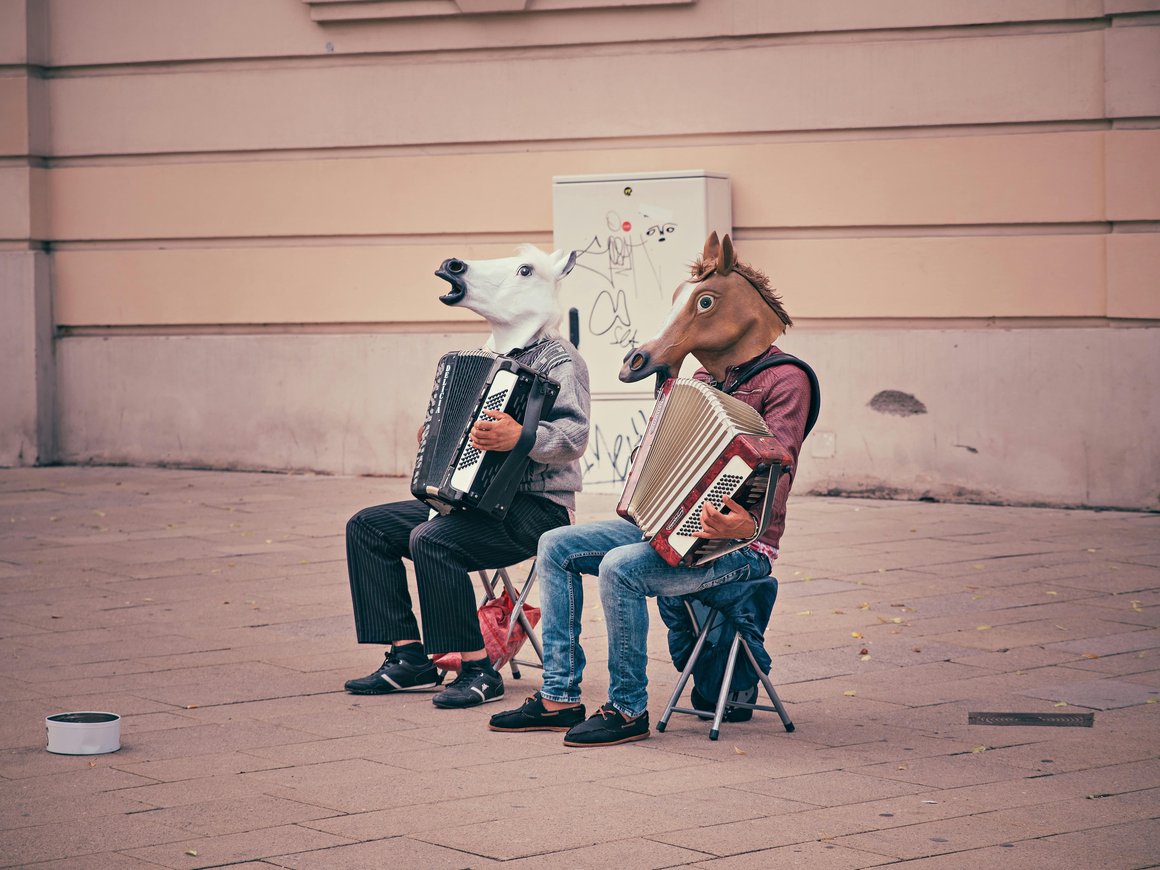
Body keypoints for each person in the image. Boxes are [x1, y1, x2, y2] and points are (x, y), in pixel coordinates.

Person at [489, 232, 812, 745]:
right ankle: (559, 695)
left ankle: (626, 708)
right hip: (668, 528)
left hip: (743, 546)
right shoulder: (701, 384)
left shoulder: (786, 380)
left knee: (620, 568)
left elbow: (779, 466)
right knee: (556, 545)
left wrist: (743, 522)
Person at [344, 333, 590, 709]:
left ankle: (479, 671)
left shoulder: (561, 358)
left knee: (433, 539)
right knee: (368, 527)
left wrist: (521, 437)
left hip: (539, 507)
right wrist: (440, 433)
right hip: (478, 500)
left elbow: (575, 437)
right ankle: (409, 658)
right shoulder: (491, 351)